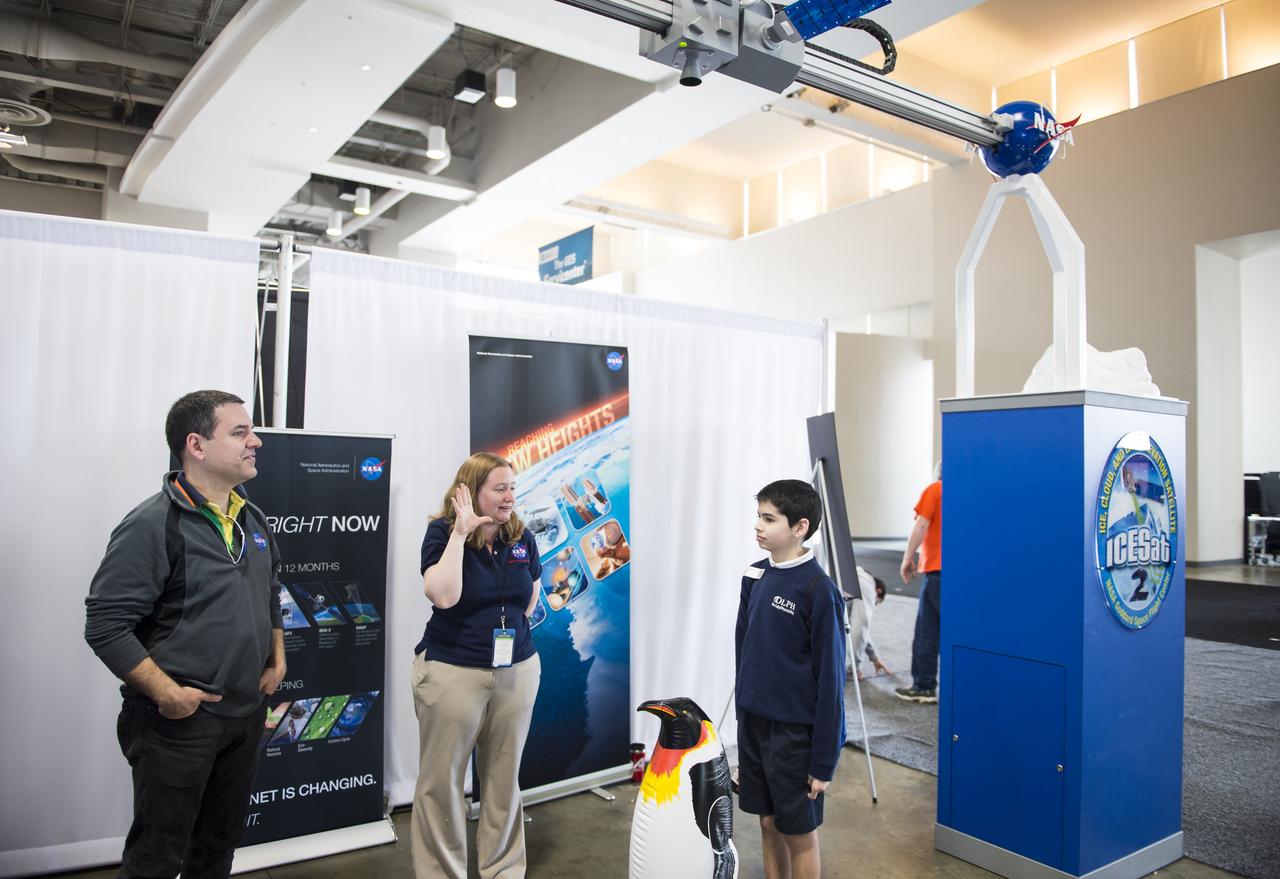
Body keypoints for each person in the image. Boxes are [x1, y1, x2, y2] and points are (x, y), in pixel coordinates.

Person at [84, 390, 286, 879]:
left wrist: (276, 658)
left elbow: (271, 587)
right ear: (196, 445)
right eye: (240, 433)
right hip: (177, 723)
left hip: (242, 716)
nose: (255, 441)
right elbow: (105, 624)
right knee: (158, 855)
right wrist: (168, 693)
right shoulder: (154, 523)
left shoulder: (252, 519)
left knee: (217, 847)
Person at [412, 453, 542, 879]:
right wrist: (460, 533)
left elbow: (530, 598)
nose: (509, 498)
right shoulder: (442, 532)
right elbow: (443, 596)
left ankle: (502, 869)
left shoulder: (520, 535)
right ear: (469, 492)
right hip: (453, 672)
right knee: (443, 783)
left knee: (503, 779)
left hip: (516, 671)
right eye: (499, 489)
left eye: (513, 488)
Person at [735, 479, 846, 879]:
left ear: (800, 527)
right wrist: (743, 721)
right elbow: (743, 651)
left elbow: (832, 684)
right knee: (767, 823)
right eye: (758, 517)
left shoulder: (819, 590)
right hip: (754, 727)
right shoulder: (754, 575)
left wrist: (822, 761)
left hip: (794, 737)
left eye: (769, 519)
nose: (758, 527)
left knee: (797, 832)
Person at [896, 462, 942, 703]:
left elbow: (922, 524)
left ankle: (924, 685)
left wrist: (907, 558)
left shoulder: (935, 489)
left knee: (928, 630)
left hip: (937, 569)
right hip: (963, 574)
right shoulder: (969, 490)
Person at [848, 567, 891, 681]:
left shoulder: (857, 575)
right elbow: (860, 630)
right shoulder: (867, 586)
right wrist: (854, 668)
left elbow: (858, 628)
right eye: (875, 602)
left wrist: (874, 658)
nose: (872, 604)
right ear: (878, 591)